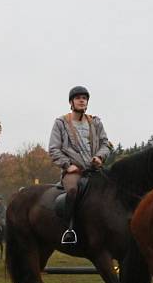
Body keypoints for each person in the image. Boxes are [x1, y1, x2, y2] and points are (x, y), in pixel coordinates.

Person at [48, 85, 111, 244]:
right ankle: (69, 230)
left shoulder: (96, 122)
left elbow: (106, 144)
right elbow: (53, 149)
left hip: (94, 169)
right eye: (78, 98)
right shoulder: (61, 123)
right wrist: (67, 165)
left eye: (84, 98)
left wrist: (99, 157)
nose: (82, 100)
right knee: (72, 192)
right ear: (71, 102)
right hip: (73, 171)